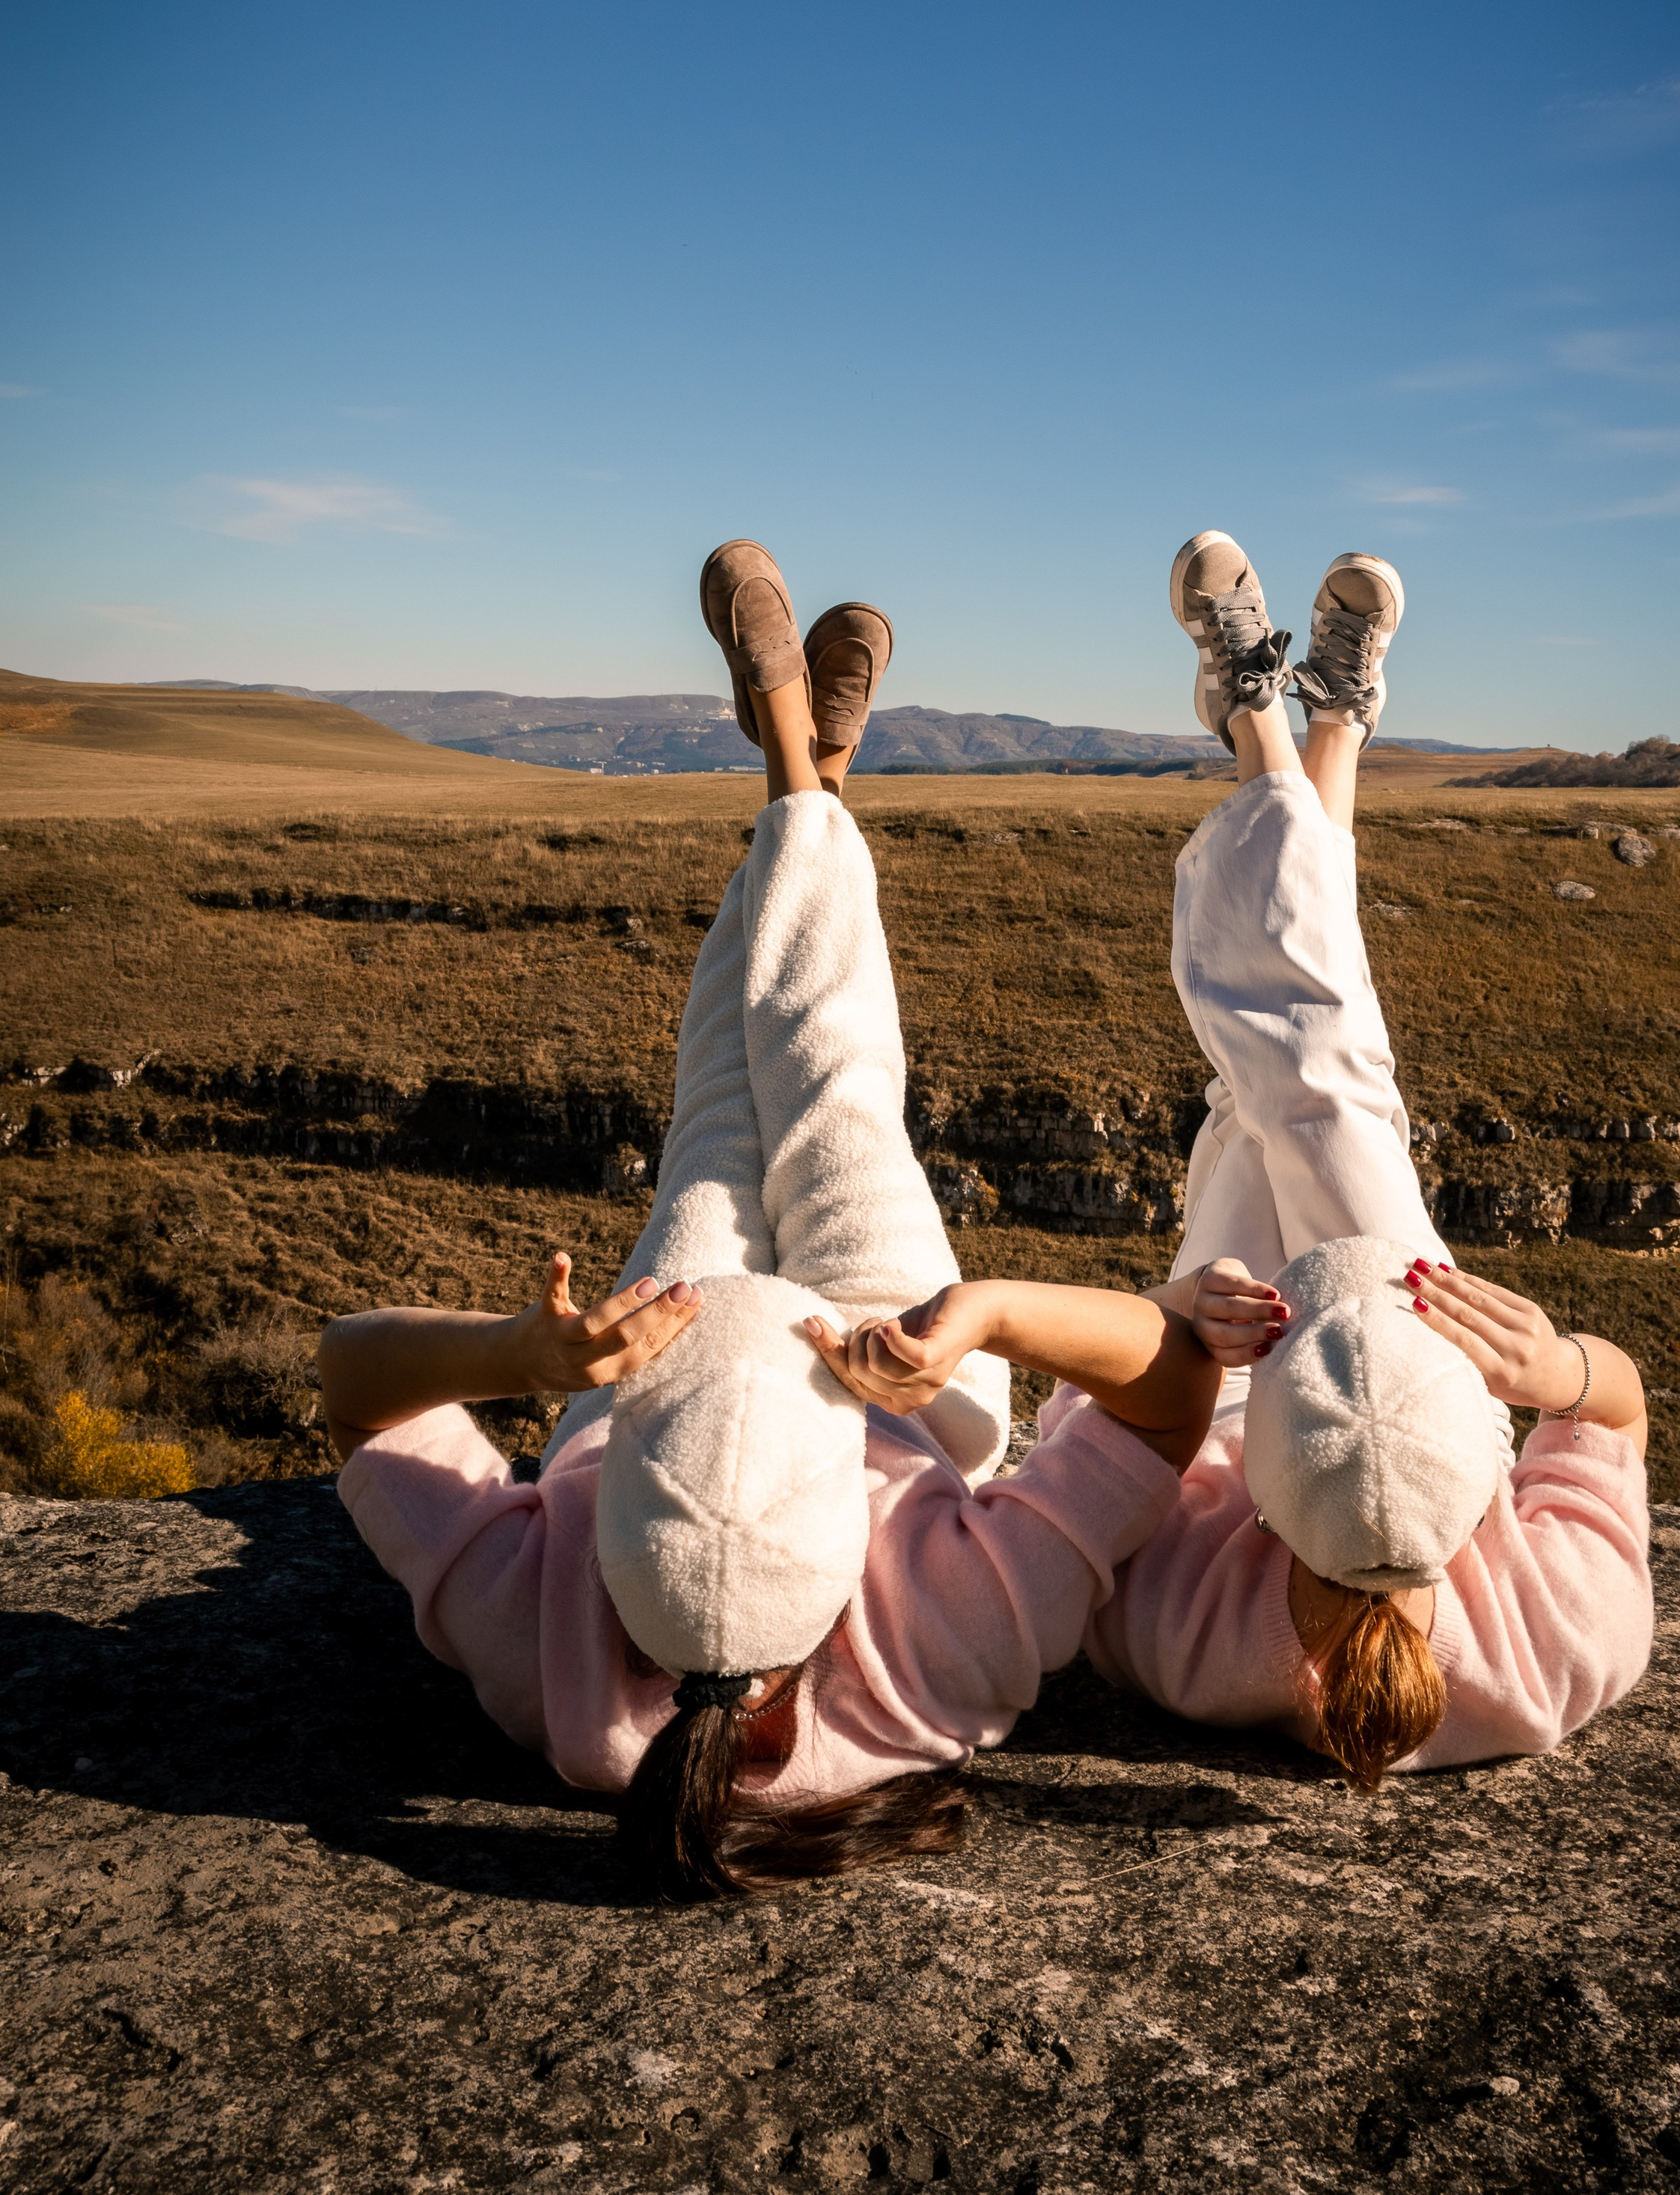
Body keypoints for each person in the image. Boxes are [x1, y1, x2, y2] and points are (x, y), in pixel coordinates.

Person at [320, 541, 1219, 1897]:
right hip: (898, 1380)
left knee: (722, 1103)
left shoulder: (553, 1671)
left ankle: (801, 766)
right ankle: (804, 766)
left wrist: (530, 1358)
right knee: (833, 1087)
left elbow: (346, 1379)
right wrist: (982, 1319)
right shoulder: (942, 1657)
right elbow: (1175, 1388)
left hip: (658, 1361)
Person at [1043, 533, 1654, 1791]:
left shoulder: (1184, 1634)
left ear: (1269, 1520)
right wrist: (1557, 1369)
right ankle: (1290, 719)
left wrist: (1178, 1326)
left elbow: (1073, 1441)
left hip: (1223, 1381)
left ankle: (1285, 713)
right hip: (1375, 1368)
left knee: (1291, 1085)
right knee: (1318, 1084)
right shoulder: (1547, 1648)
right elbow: (1624, 1409)